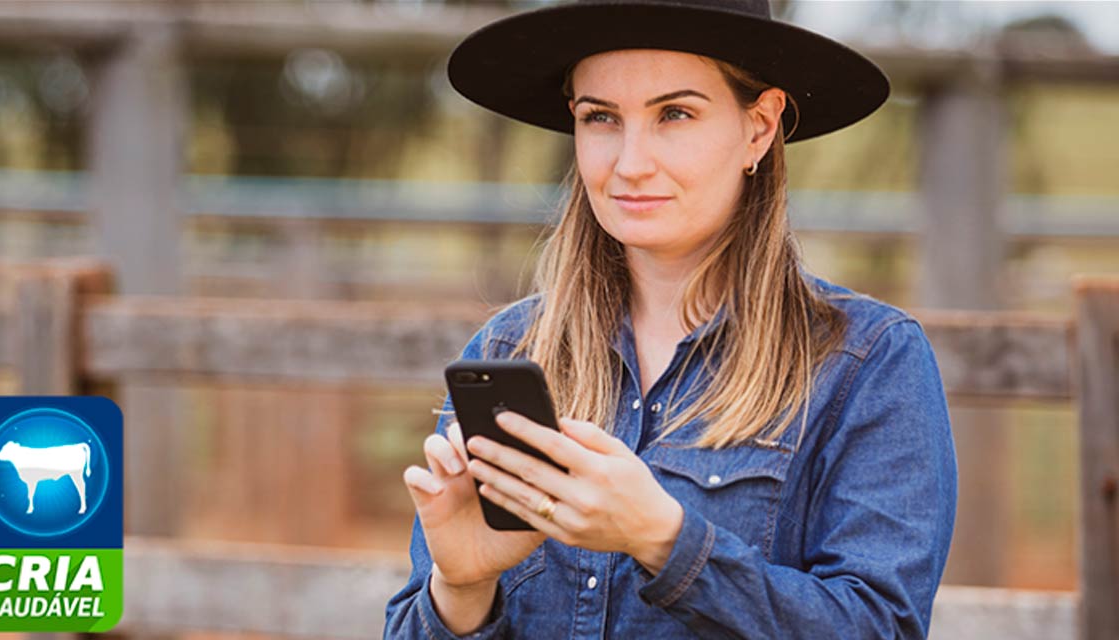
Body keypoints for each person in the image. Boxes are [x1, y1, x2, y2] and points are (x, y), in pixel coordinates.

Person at [384, 0, 958, 637]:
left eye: (675, 114)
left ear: (760, 128)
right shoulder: (512, 347)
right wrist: (460, 590)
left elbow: (881, 627)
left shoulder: (866, 363)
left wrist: (665, 541)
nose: (630, 163)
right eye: (600, 117)